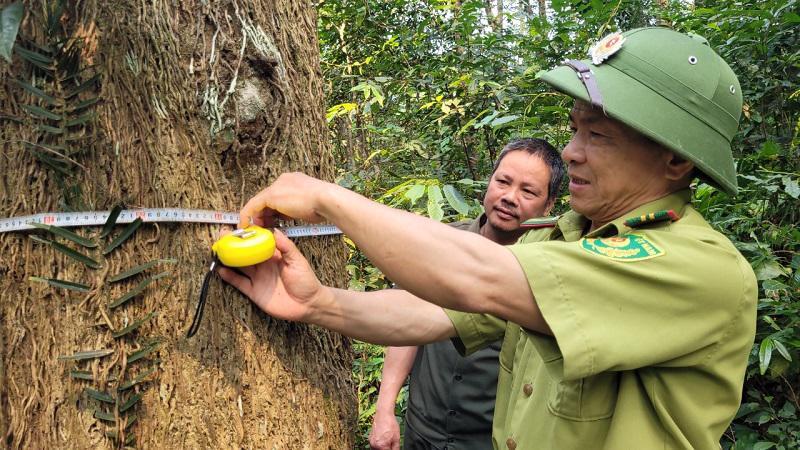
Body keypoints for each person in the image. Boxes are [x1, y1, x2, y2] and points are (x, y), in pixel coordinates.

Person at [218, 27, 756, 449]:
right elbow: (432, 314)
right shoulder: (561, 241)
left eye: (598, 135)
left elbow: (477, 277)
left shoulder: (693, 268)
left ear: (677, 159)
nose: (571, 152)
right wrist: (318, 303)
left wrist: (329, 198)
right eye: (574, 129)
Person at [370, 139, 565, 450]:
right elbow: (405, 325)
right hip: (422, 431)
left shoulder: (548, 270)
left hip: (489, 440)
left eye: (528, 191)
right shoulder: (443, 243)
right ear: (490, 182)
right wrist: (384, 409)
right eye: (503, 181)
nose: (509, 197)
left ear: (549, 203)